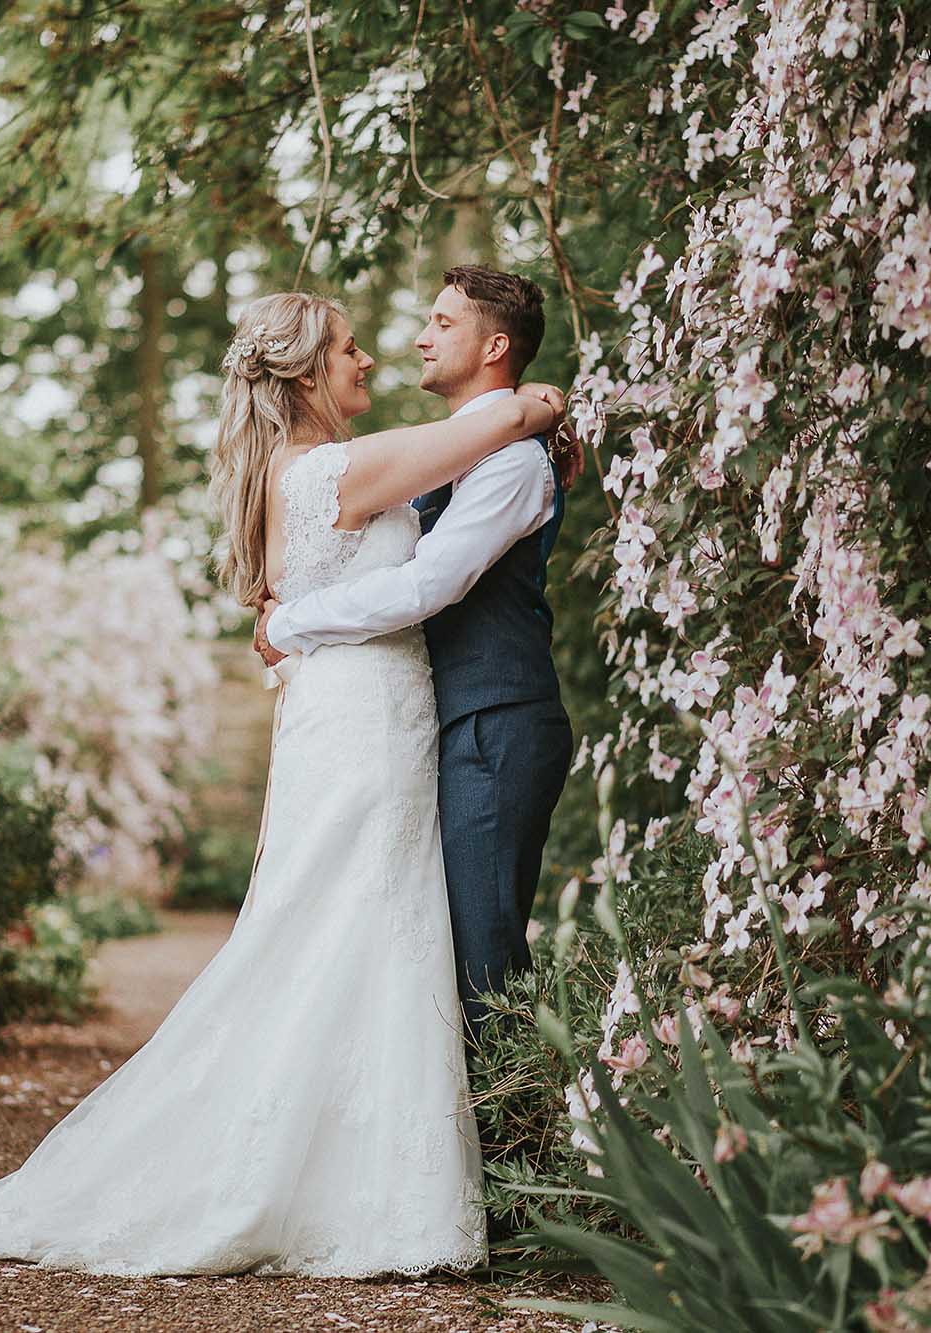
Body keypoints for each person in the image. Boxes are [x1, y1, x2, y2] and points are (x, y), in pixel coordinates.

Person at [0, 290, 564, 1277]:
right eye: (349, 349)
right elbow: (492, 430)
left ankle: (351, 1169)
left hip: (351, 707)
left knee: (349, 931)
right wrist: (545, 402)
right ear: (303, 376)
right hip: (367, 711)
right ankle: (365, 1180)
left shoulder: (289, 474)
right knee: (351, 925)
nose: (368, 359)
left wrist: (290, 630)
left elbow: (381, 552)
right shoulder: (335, 467)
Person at [257, 266, 575, 1039]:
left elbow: (428, 583)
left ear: (495, 345)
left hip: (495, 717)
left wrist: (292, 622)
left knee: (484, 961)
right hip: (435, 721)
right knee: (446, 953)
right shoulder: (463, 449)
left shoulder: (511, 457)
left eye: (442, 323)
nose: (419, 339)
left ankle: (511, 1148)